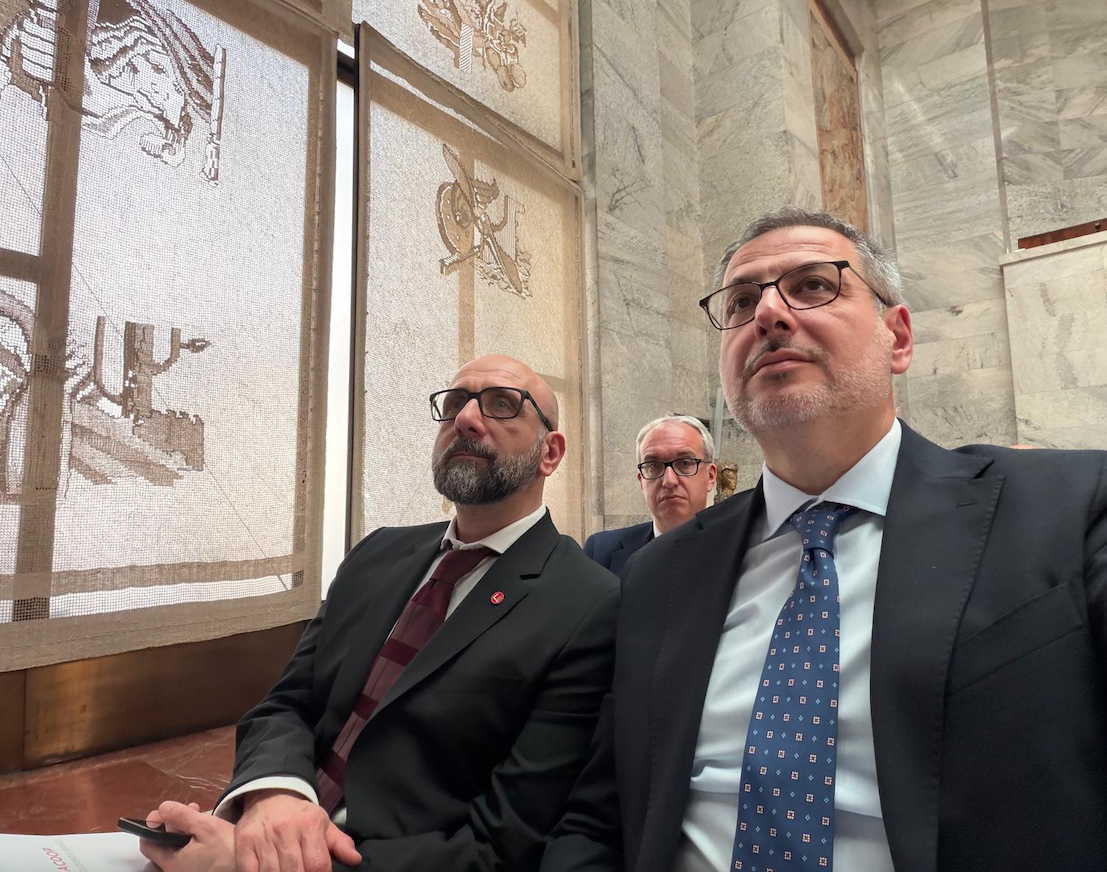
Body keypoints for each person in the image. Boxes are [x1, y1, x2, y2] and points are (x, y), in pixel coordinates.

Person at [542, 207, 1107, 872]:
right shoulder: (659, 572)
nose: (767, 314)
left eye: (813, 285)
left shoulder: (1065, 508)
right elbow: (600, 813)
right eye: (741, 301)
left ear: (898, 338)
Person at [141, 354, 619, 872]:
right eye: (456, 402)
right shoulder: (377, 553)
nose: (465, 418)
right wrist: (275, 796)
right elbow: (287, 704)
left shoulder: (589, 604)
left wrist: (257, 863)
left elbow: (504, 845)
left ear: (550, 452)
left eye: (502, 404)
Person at [584, 416, 717, 575]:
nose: (669, 480)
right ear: (642, 481)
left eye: (685, 463)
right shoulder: (601, 552)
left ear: (710, 476)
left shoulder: (737, 549)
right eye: (654, 466)